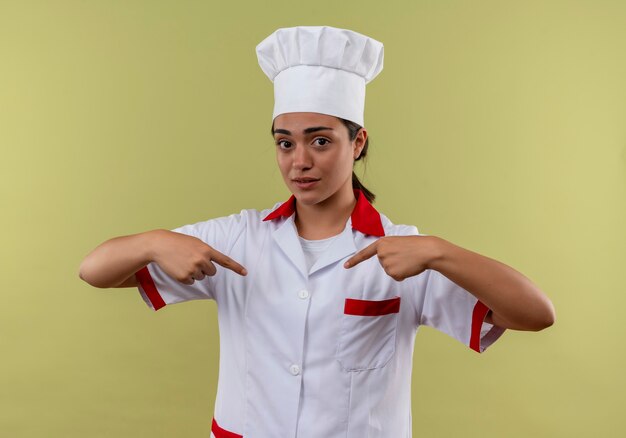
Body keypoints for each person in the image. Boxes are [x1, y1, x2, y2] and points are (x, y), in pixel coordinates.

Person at [79, 25, 555, 438]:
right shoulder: (239, 241)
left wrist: (438, 251)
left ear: (358, 141)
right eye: (285, 143)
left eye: (320, 141)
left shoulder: (403, 253)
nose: (299, 161)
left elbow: (536, 313)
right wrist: (154, 241)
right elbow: (94, 270)